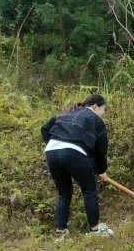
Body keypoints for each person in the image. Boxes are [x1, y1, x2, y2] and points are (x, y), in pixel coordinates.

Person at [41, 94, 114, 242]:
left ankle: (61, 231)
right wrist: (102, 171)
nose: (103, 114)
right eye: (103, 109)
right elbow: (101, 150)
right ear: (95, 106)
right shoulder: (95, 119)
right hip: (73, 152)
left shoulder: (67, 113)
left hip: (51, 150)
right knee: (89, 190)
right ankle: (94, 229)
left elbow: (45, 128)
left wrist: (56, 145)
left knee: (64, 193)